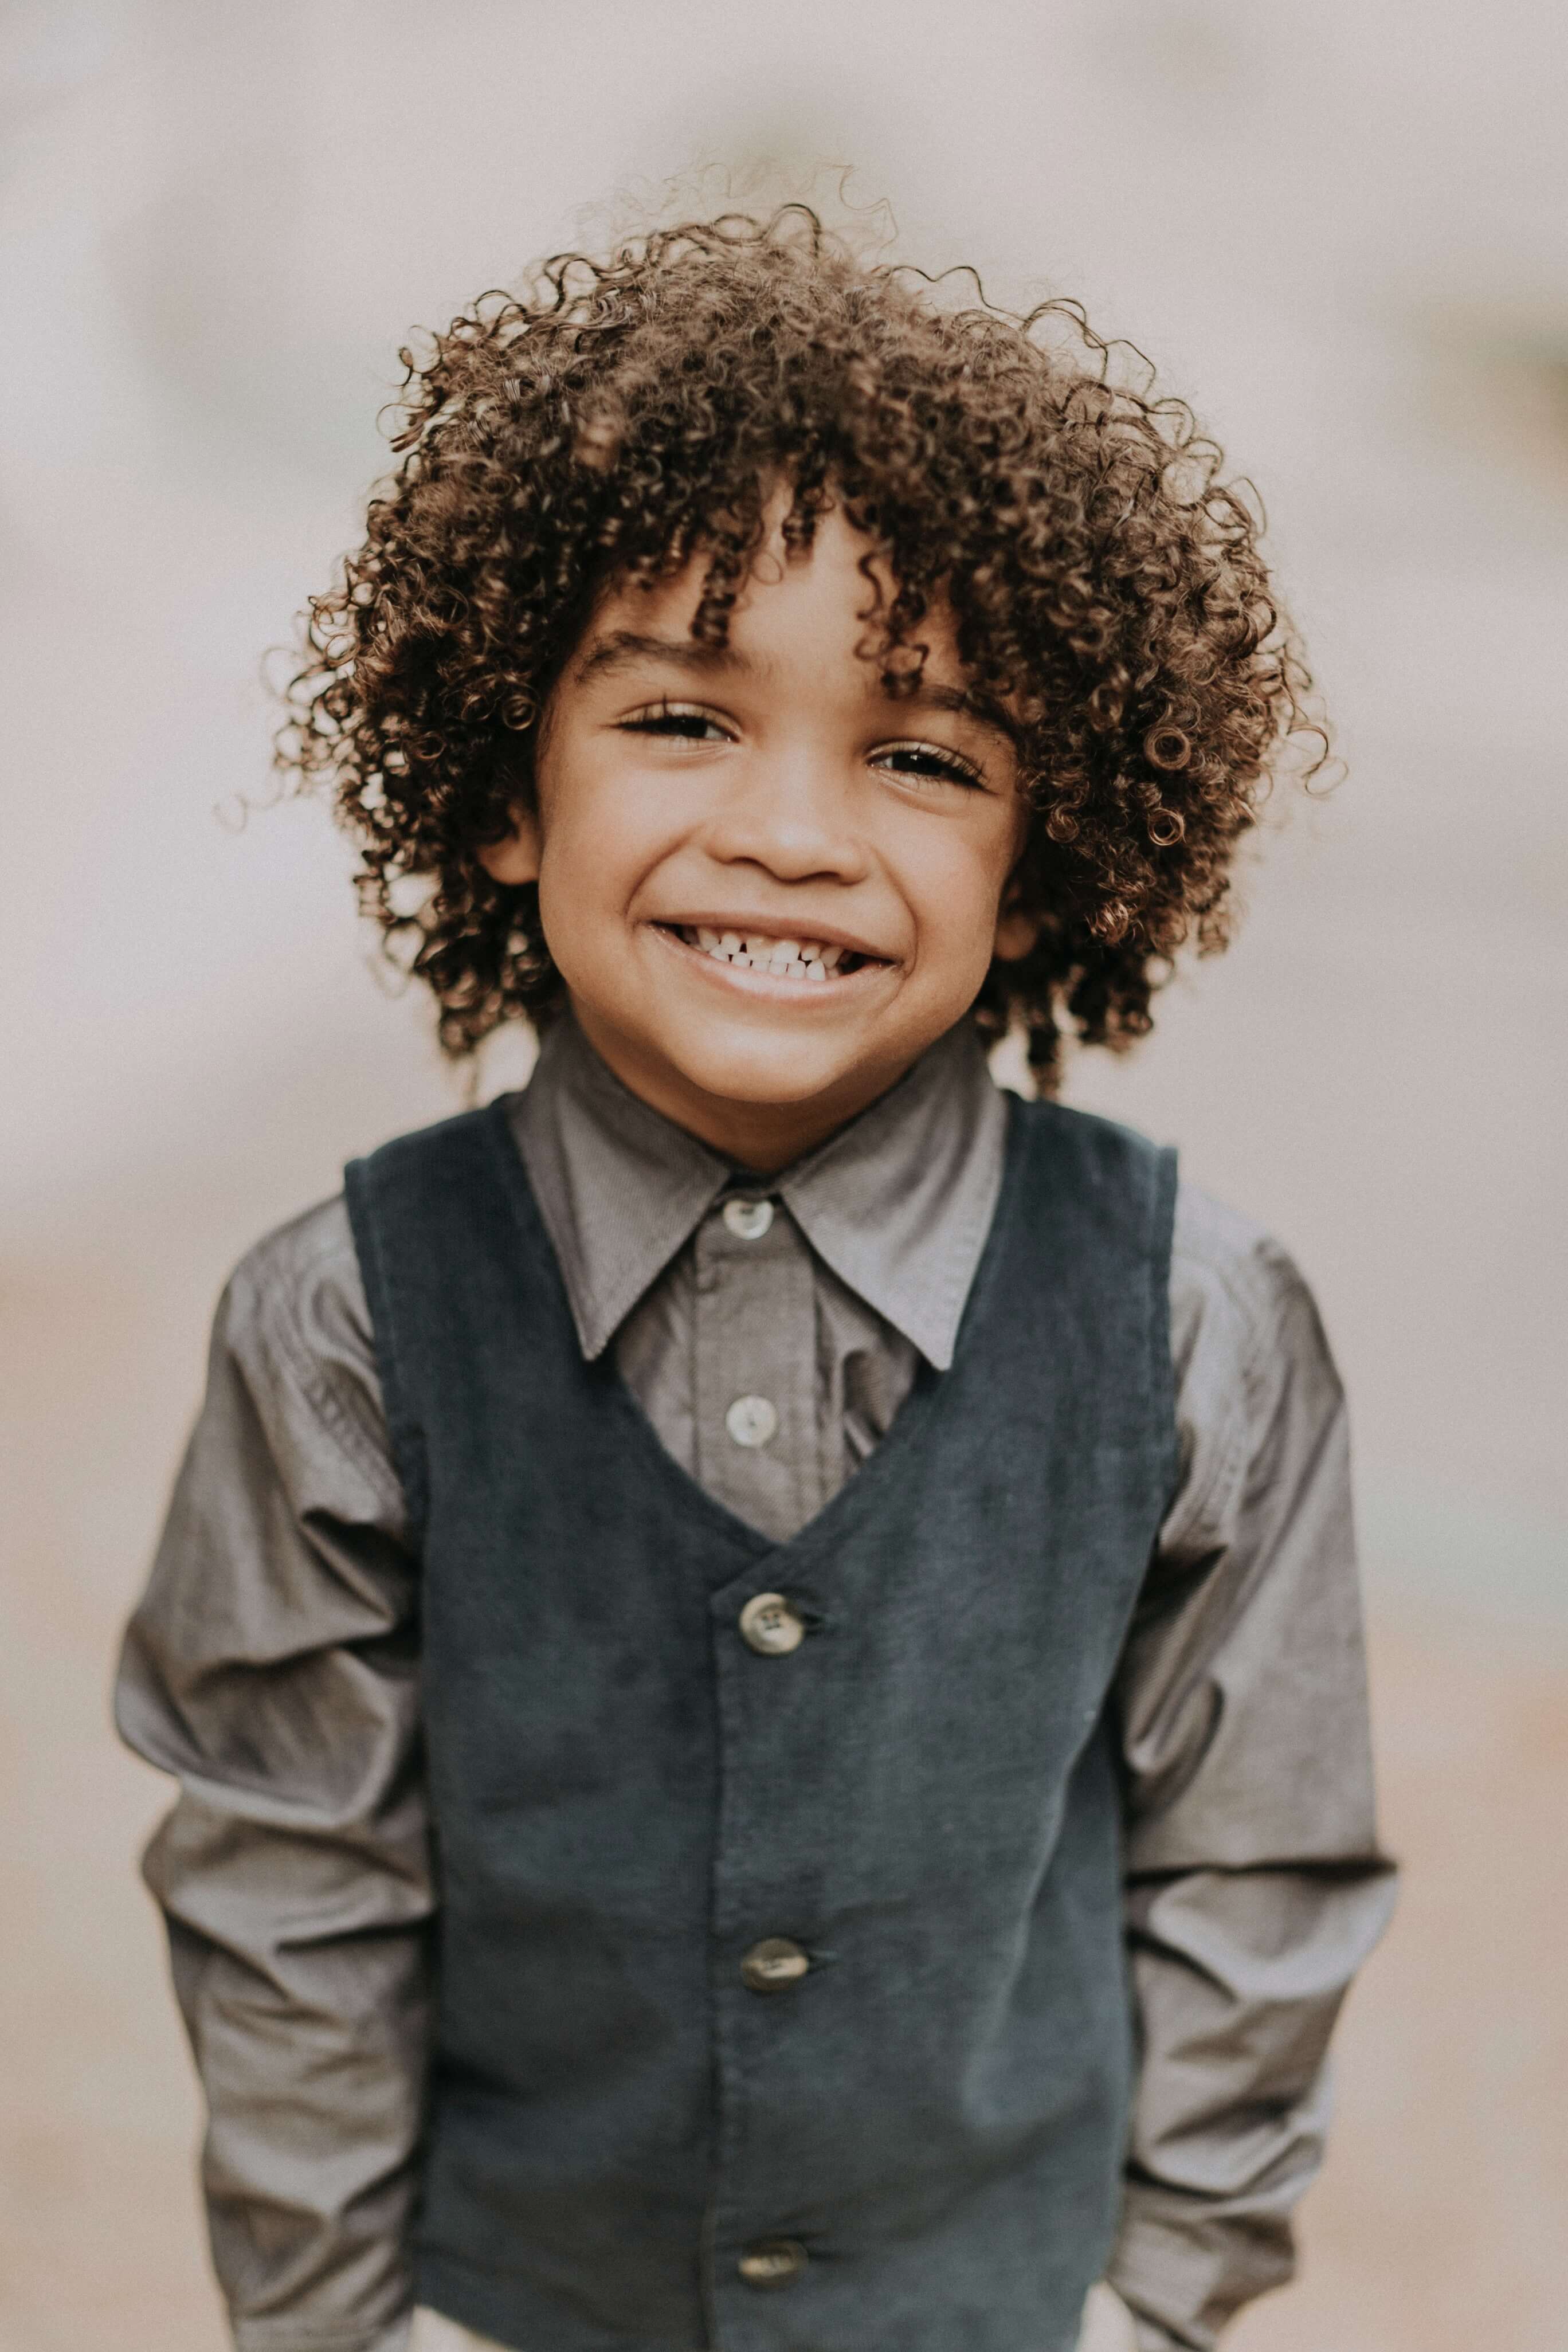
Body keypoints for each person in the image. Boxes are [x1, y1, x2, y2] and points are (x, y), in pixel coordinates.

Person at [115, 210, 1396, 2352]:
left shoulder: (1198, 1321)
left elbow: (1253, 1874)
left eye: (922, 755)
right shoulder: (341, 1320)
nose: (796, 832)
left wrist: (1161, 2301)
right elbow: (291, 1895)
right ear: (506, 785)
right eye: (682, 719)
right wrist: (338, 2322)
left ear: (1041, 848)